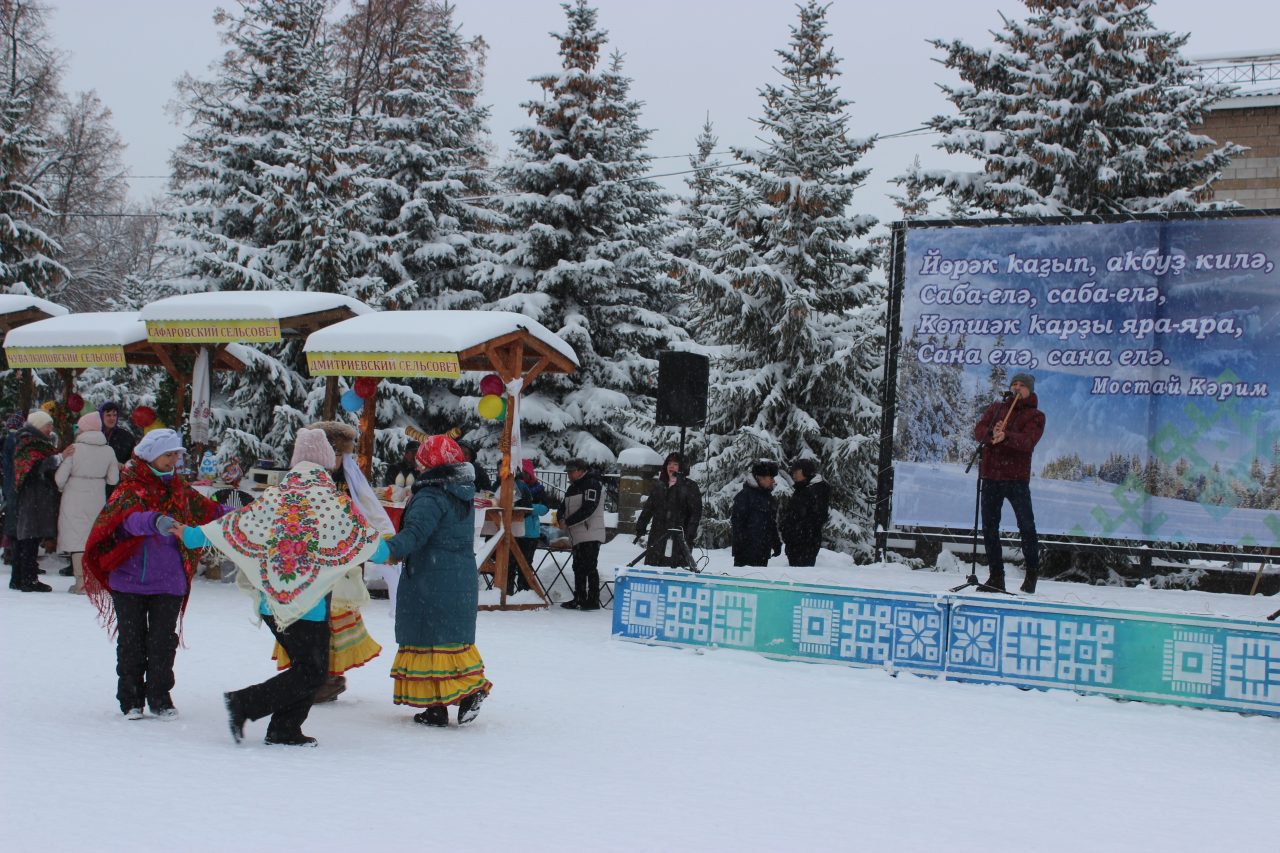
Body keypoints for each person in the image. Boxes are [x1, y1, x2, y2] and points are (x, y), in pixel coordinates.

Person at [184, 428, 383, 747]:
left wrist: (192, 535)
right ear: (326, 462)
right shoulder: (330, 499)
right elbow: (366, 541)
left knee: (308, 667)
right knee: (313, 673)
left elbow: (234, 525)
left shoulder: (276, 496)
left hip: (272, 603)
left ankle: (285, 728)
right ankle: (245, 704)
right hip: (310, 606)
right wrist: (390, 549)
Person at [82, 429, 224, 719]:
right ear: (150, 455)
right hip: (129, 580)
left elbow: (208, 510)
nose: (174, 460)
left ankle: (160, 697)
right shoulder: (130, 488)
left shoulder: (179, 488)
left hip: (169, 581)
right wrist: (151, 520)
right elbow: (119, 523)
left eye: (176, 454)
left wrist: (240, 514)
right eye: (168, 454)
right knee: (131, 643)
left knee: (163, 643)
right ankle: (131, 698)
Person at [267, 420, 389, 704]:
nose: (341, 461)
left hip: (337, 564)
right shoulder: (308, 483)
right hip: (311, 565)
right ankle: (313, 677)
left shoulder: (343, 481)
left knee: (330, 622)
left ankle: (324, 675)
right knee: (313, 624)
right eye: (337, 454)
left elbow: (361, 511)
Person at [383, 434, 492, 727]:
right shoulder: (461, 493)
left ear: (430, 463)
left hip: (430, 579)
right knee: (450, 641)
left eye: (421, 461)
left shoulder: (430, 496)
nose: (417, 466)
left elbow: (415, 535)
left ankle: (451, 700)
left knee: (427, 639)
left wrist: (387, 549)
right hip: (458, 575)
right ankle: (443, 705)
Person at [973, 372, 1046, 593]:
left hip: (1016, 479)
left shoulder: (1036, 415)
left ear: (1030, 390)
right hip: (991, 476)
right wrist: (991, 434)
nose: (1016, 388)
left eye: (1022, 385)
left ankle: (1032, 574)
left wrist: (1007, 436)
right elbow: (979, 430)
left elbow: (1028, 442)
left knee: (1026, 526)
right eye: (1014, 384)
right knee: (989, 527)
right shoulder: (997, 408)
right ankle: (996, 577)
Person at [56, 412, 120, 594]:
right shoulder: (108, 450)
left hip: (73, 498)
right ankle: (94, 580)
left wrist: (63, 487)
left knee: (77, 540)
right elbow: (113, 479)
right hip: (97, 497)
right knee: (92, 540)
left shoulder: (74, 449)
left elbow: (59, 478)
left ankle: (80, 582)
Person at [10, 411, 70, 592]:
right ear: (38, 425)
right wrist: (59, 458)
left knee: (26, 537)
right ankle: (29, 579)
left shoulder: (33, 442)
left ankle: (19, 578)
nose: (50, 428)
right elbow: (35, 467)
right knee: (29, 537)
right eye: (47, 425)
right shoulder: (28, 443)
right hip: (32, 497)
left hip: (35, 497)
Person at [634, 451, 702, 568]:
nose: (671, 466)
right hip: (658, 535)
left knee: (674, 572)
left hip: (679, 537)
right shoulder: (660, 486)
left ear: (682, 467)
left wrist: (689, 534)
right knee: (653, 569)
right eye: (669, 463)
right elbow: (648, 508)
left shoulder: (690, 487)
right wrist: (641, 526)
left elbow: (695, 513)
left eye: (675, 464)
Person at [558, 458, 606, 610]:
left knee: (589, 566)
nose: (569, 475)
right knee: (577, 566)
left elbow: (588, 508)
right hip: (577, 534)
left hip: (590, 533)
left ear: (580, 471)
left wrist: (568, 521)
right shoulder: (573, 487)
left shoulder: (592, 484)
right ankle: (579, 597)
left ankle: (592, 600)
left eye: (571, 472)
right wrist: (560, 517)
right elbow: (562, 506)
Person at [778, 458, 830, 567]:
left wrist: (796, 530)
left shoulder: (815, 491)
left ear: (805, 472)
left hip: (805, 543)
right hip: (796, 542)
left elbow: (816, 517)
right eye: (793, 472)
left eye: (797, 472)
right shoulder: (802, 490)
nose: (794, 475)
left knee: (801, 575)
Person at [507, 461, 548, 595]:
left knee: (525, 566)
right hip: (513, 531)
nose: (522, 475)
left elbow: (544, 508)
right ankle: (507, 593)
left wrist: (527, 509)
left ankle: (524, 594)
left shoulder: (538, 489)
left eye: (525, 473)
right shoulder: (511, 487)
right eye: (520, 473)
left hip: (530, 533)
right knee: (509, 565)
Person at [731, 460, 781, 568]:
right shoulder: (745, 496)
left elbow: (771, 524)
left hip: (763, 552)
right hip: (745, 554)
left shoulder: (769, 498)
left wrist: (776, 542)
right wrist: (741, 547)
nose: (773, 481)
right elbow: (737, 524)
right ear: (760, 478)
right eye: (771, 478)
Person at [2, 412, 25, 566]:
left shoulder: (6, 440)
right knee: (15, 519)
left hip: (8, 483)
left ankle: (9, 549)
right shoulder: (16, 440)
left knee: (10, 517)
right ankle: (13, 552)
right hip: (14, 484)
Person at [98, 401, 137, 466]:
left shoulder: (125, 437)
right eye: (108, 415)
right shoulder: (94, 436)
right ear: (101, 416)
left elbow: (133, 460)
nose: (112, 418)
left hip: (118, 475)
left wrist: (125, 466)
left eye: (114, 415)